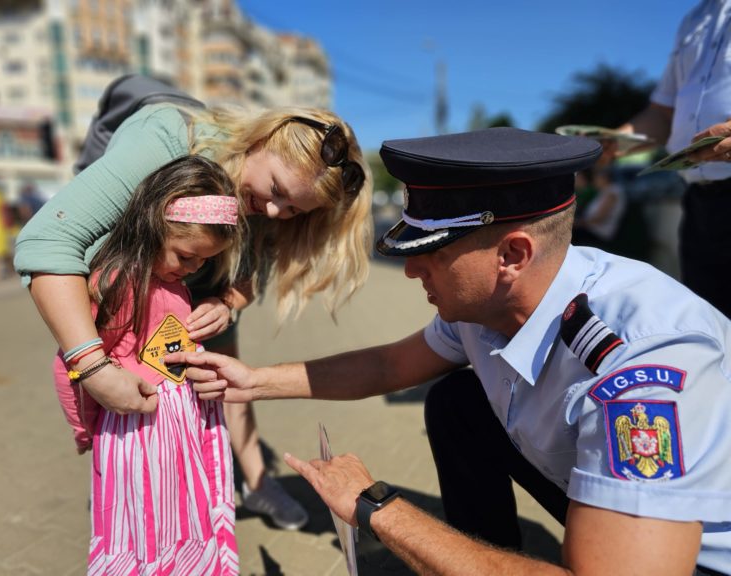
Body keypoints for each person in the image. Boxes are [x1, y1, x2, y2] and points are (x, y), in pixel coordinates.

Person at [169, 128, 731, 576]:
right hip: (606, 499)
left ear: (512, 254)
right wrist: (252, 380)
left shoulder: (644, 369)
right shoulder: (490, 306)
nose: (411, 268)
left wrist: (375, 508)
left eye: (431, 251)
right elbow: (389, 365)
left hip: (692, 556)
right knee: (458, 400)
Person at [14, 100, 372, 530]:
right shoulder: (162, 141)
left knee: (226, 383)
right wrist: (92, 366)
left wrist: (227, 304)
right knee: (133, 395)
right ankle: (141, 495)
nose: (275, 212)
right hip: (131, 291)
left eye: (294, 210)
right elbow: (48, 240)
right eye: (276, 190)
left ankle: (253, 482)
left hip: (201, 298)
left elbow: (252, 272)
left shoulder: (265, 206)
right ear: (260, 139)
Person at [53, 155, 241, 572]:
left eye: (204, 261)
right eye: (187, 256)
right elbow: (71, 366)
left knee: (182, 518)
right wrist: (84, 430)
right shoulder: (119, 284)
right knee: (145, 527)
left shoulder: (168, 280)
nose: (193, 269)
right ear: (155, 223)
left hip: (180, 430)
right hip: (140, 435)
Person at [613, 0, 731, 317]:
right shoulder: (695, 18)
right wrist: (614, 142)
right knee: (713, 330)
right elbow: (662, 114)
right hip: (699, 202)